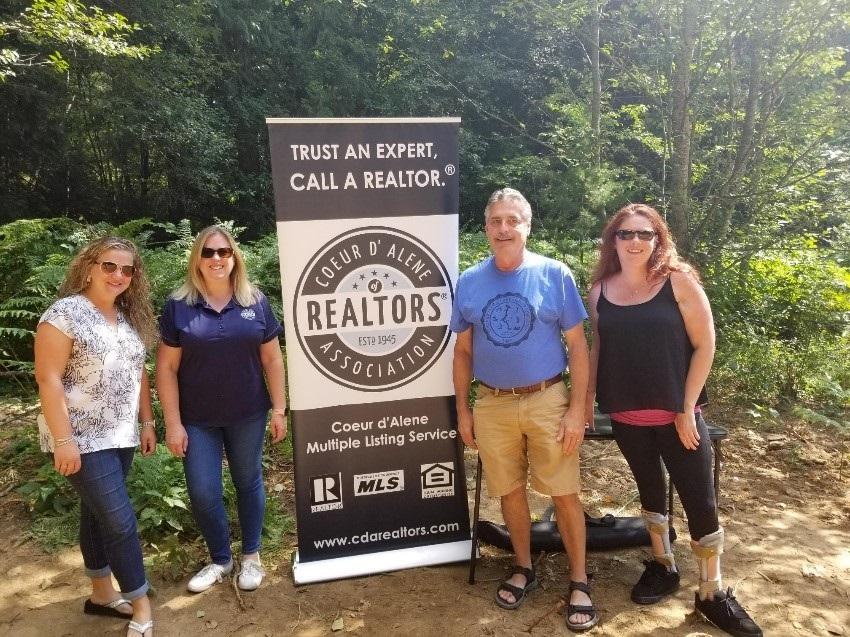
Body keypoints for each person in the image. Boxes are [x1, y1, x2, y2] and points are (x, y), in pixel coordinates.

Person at [585, 203, 762, 637]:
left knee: (700, 500)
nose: (634, 241)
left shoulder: (677, 281)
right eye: (625, 234)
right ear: (613, 240)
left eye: (645, 234)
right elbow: (598, 349)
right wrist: (586, 400)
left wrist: (686, 408)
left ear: (658, 239)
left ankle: (712, 593)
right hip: (626, 414)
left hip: (678, 416)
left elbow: (705, 344)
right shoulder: (599, 291)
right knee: (649, 490)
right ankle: (663, 565)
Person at [452, 188, 597, 632]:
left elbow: (578, 346)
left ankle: (579, 580)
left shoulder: (554, 274)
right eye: (496, 221)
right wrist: (463, 409)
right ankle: (523, 567)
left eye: (513, 220)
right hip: (492, 402)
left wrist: (577, 409)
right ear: (486, 228)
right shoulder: (469, 281)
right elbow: (462, 351)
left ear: (527, 226)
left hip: (547, 399)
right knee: (509, 491)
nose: (503, 228)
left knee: (563, 492)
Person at [34, 237, 157, 637]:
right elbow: (48, 378)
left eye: (128, 269)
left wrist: (146, 422)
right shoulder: (65, 314)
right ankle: (141, 604)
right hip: (81, 437)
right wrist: (63, 439)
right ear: (88, 267)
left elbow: (139, 372)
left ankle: (101, 594)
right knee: (120, 522)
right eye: (109, 266)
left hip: (119, 436)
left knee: (96, 513)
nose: (119, 275)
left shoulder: (125, 318)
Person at [156, 225, 287, 594]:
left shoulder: (255, 301)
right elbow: (165, 368)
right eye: (209, 252)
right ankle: (219, 558)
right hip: (196, 419)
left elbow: (273, 359)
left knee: (248, 482)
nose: (216, 259)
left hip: (248, 413)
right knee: (202, 491)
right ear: (197, 258)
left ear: (234, 258)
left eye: (223, 252)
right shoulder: (178, 306)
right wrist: (173, 423)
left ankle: (251, 557)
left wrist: (279, 408)